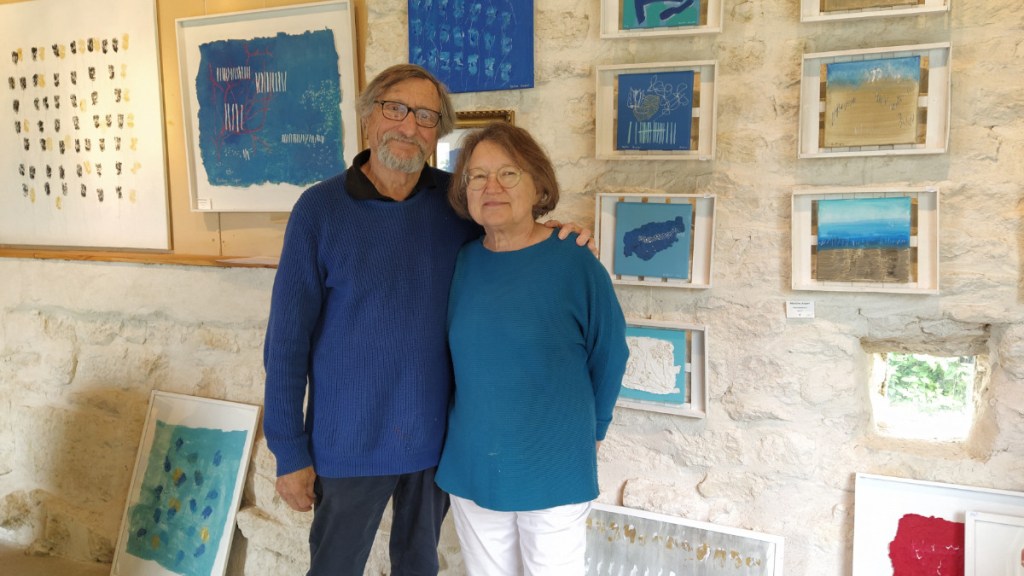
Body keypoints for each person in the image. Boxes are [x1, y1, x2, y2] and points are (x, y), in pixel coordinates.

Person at [262, 64, 590, 576]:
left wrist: (558, 234)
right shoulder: (319, 210)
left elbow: (509, 231)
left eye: (425, 116)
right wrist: (288, 451)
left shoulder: (456, 203)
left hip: (434, 441)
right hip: (347, 442)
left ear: (438, 131)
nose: (409, 126)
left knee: (419, 567)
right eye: (395, 109)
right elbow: (286, 344)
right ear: (368, 118)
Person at [436, 122, 630, 575]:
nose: (491, 187)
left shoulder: (573, 260)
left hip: (553, 462)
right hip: (474, 462)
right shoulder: (462, 261)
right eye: (477, 176)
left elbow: (609, 354)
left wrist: (596, 429)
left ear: (538, 185)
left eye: (508, 173)